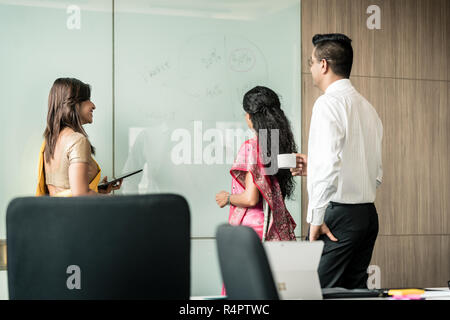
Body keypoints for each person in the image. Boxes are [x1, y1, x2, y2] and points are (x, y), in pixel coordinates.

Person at [292, 34, 383, 289]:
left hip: (339, 215)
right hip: (367, 216)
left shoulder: (327, 104)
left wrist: (315, 219)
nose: (310, 68)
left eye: (311, 62)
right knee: (354, 292)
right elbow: (374, 172)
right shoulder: (368, 108)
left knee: (315, 291)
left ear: (323, 64)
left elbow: (330, 165)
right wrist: (316, 166)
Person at [215, 86, 297, 242]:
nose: (245, 116)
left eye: (247, 112)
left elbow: (250, 198)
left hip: (253, 231)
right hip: (273, 227)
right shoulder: (275, 144)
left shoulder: (252, 147)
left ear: (252, 116)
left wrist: (227, 198)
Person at [36, 78, 122, 197]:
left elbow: (65, 190)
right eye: (87, 99)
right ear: (73, 104)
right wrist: (113, 200)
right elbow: (81, 194)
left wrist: (97, 190)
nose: (93, 105)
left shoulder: (50, 141)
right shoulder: (77, 140)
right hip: (75, 214)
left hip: (54, 212)